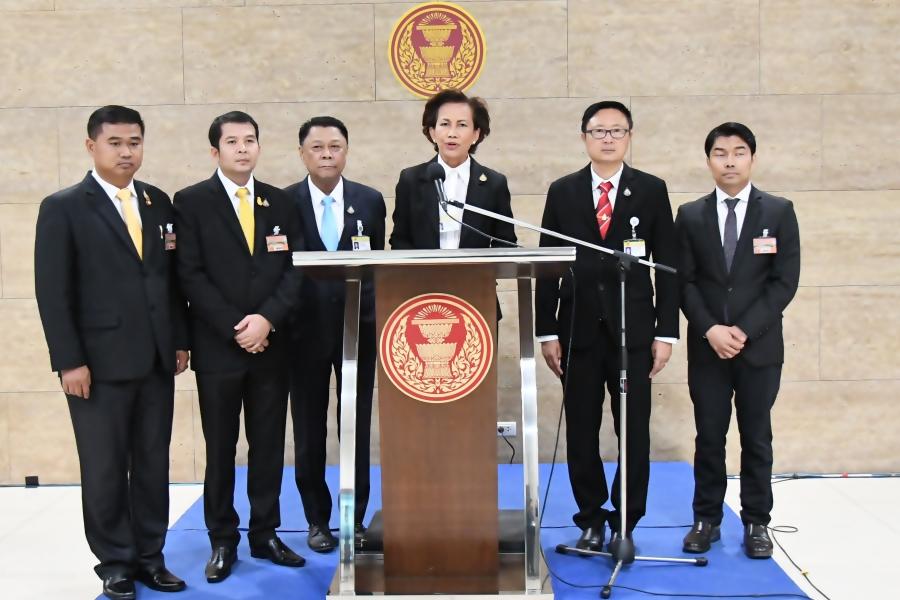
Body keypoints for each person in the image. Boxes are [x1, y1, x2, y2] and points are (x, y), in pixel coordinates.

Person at [34, 105, 189, 600]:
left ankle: (151, 556)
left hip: (156, 359)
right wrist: (68, 361)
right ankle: (116, 563)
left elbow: (169, 281)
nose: (126, 152)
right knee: (104, 468)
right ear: (91, 146)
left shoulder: (158, 202)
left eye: (134, 142)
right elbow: (52, 292)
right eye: (115, 142)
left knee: (152, 463)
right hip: (96, 365)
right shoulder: (63, 207)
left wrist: (179, 339)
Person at [535, 101, 679, 552]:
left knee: (632, 431)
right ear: (584, 138)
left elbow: (667, 265)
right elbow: (546, 265)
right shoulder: (563, 191)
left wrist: (665, 333)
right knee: (580, 430)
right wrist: (546, 331)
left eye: (618, 131)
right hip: (576, 331)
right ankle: (591, 519)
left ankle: (626, 523)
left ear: (629, 137)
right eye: (599, 131)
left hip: (632, 333)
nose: (609, 138)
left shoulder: (651, 190)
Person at [174, 111, 305, 582]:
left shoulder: (280, 201)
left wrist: (266, 319)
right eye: (232, 142)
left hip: (272, 344)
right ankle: (222, 539)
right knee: (221, 447)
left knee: (268, 445)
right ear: (216, 151)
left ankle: (265, 533)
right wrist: (237, 327)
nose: (243, 148)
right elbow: (189, 274)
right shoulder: (191, 202)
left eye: (250, 140)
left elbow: (296, 267)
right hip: (219, 348)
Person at [677, 122, 800, 559]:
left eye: (739, 152)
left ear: (752, 158)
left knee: (756, 437)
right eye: (720, 153)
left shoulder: (779, 211)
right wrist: (711, 329)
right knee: (709, 436)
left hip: (760, 349)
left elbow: (784, 282)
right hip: (707, 347)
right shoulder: (690, 215)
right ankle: (706, 519)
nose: (729, 161)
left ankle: (756, 522)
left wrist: (744, 330)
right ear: (708, 160)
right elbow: (684, 281)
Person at [283, 116, 386, 552]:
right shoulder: (284, 203)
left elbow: (379, 265)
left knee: (355, 426)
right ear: (302, 153)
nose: (327, 155)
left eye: (335, 147)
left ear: (346, 151)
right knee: (308, 429)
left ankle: (354, 517)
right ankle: (317, 520)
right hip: (301, 331)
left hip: (358, 328)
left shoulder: (370, 200)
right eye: (318, 148)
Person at [389, 88, 516, 251]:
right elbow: (400, 240)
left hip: (476, 268)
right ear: (432, 132)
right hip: (424, 268)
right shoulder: (411, 179)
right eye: (445, 124)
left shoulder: (494, 184)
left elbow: (505, 242)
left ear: (476, 134)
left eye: (462, 125)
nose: (452, 133)